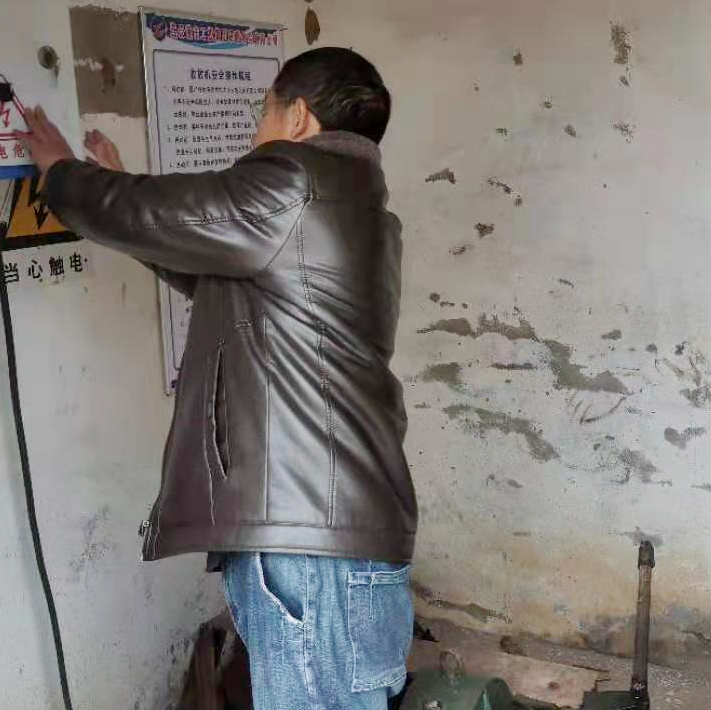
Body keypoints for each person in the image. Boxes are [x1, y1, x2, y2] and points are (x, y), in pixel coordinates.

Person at [17, 47, 418, 710]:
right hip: (340, 527)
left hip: (307, 538)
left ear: (297, 117)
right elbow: (214, 270)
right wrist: (117, 189)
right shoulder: (356, 207)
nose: (257, 131)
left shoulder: (292, 182)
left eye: (264, 111)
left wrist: (62, 172)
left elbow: (160, 216)